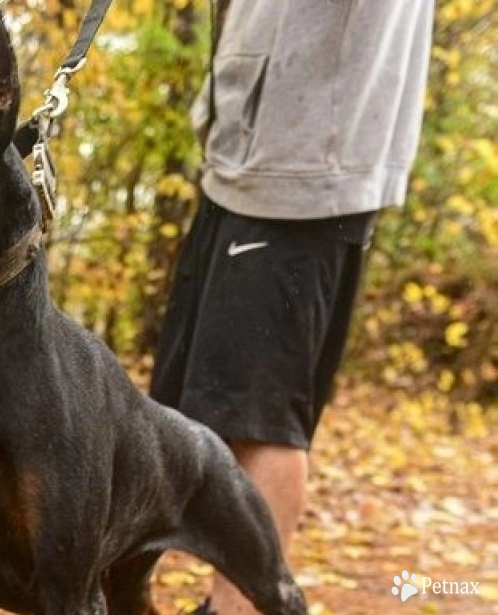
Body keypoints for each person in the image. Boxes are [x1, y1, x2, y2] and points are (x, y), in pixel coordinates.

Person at [150, 2, 435, 614]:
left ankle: (241, 608)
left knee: (262, 420)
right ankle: (223, 605)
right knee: (209, 407)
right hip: (258, 158)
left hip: (298, 167)